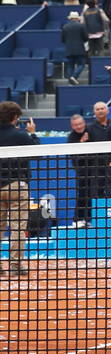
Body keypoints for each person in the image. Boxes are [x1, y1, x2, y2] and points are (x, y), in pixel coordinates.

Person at [0, 102, 40, 275]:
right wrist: (32, 133)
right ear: (15, 118)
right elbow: (36, 153)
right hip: (16, 185)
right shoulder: (21, 136)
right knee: (17, 227)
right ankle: (16, 266)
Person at [65, 114, 97, 226]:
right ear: (72, 126)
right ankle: (78, 220)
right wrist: (81, 143)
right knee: (83, 194)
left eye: (80, 123)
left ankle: (92, 219)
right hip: (82, 170)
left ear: (84, 123)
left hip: (96, 169)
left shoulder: (92, 130)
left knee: (95, 193)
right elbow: (73, 155)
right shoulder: (71, 137)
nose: (78, 126)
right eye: (75, 125)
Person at [61, 10, 88, 84]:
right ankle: (74, 77)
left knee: (70, 66)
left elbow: (63, 39)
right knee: (81, 64)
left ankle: (70, 82)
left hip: (69, 49)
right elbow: (85, 37)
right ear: (77, 18)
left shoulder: (65, 27)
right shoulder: (81, 26)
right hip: (79, 49)